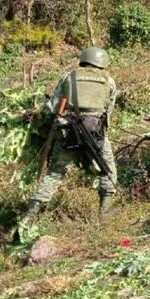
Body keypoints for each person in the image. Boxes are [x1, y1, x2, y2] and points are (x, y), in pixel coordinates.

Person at [21, 47, 118, 223]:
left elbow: (52, 107)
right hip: (95, 134)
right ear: (103, 63)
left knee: (55, 174)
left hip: (67, 132)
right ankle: (105, 212)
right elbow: (108, 112)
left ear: (83, 59)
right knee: (107, 169)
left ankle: (30, 215)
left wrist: (37, 115)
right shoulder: (109, 81)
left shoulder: (69, 77)